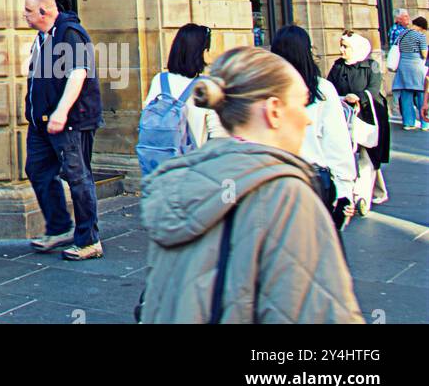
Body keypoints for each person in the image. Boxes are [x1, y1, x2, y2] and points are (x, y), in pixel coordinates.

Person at [139, 47, 363, 323]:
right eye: (300, 103)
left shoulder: (177, 181)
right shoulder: (286, 194)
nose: (306, 118)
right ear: (274, 111)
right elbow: (320, 311)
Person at [22, 0, 103, 260]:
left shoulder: (70, 33)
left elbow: (78, 73)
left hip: (69, 122)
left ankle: (89, 240)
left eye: (29, 10)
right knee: (38, 169)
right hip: (41, 123)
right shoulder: (43, 38)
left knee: (78, 177)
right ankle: (58, 228)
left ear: (44, 11)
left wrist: (61, 111)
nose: (25, 15)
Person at [270, 25, 357, 229]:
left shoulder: (263, 89)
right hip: (313, 181)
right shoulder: (321, 90)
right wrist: (345, 191)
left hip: (273, 182)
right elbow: (337, 144)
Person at [328, 32, 389, 215]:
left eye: (345, 46)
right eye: (341, 45)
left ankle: (360, 198)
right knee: (351, 155)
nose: (341, 50)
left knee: (367, 154)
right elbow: (329, 87)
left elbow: (374, 88)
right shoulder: (338, 66)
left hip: (369, 116)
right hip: (345, 116)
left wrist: (359, 97)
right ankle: (376, 190)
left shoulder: (372, 66)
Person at [141, 23, 224, 150]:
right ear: (200, 52)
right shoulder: (207, 85)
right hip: (193, 162)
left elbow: (147, 119)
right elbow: (218, 136)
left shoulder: (159, 80)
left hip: (161, 161)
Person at [391, 14, 428, 131]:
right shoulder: (420, 36)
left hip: (403, 67)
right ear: (422, 28)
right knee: (422, 94)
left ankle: (408, 123)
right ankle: (425, 123)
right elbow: (424, 54)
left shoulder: (402, 34)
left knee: (406, 95)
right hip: (417, 67)